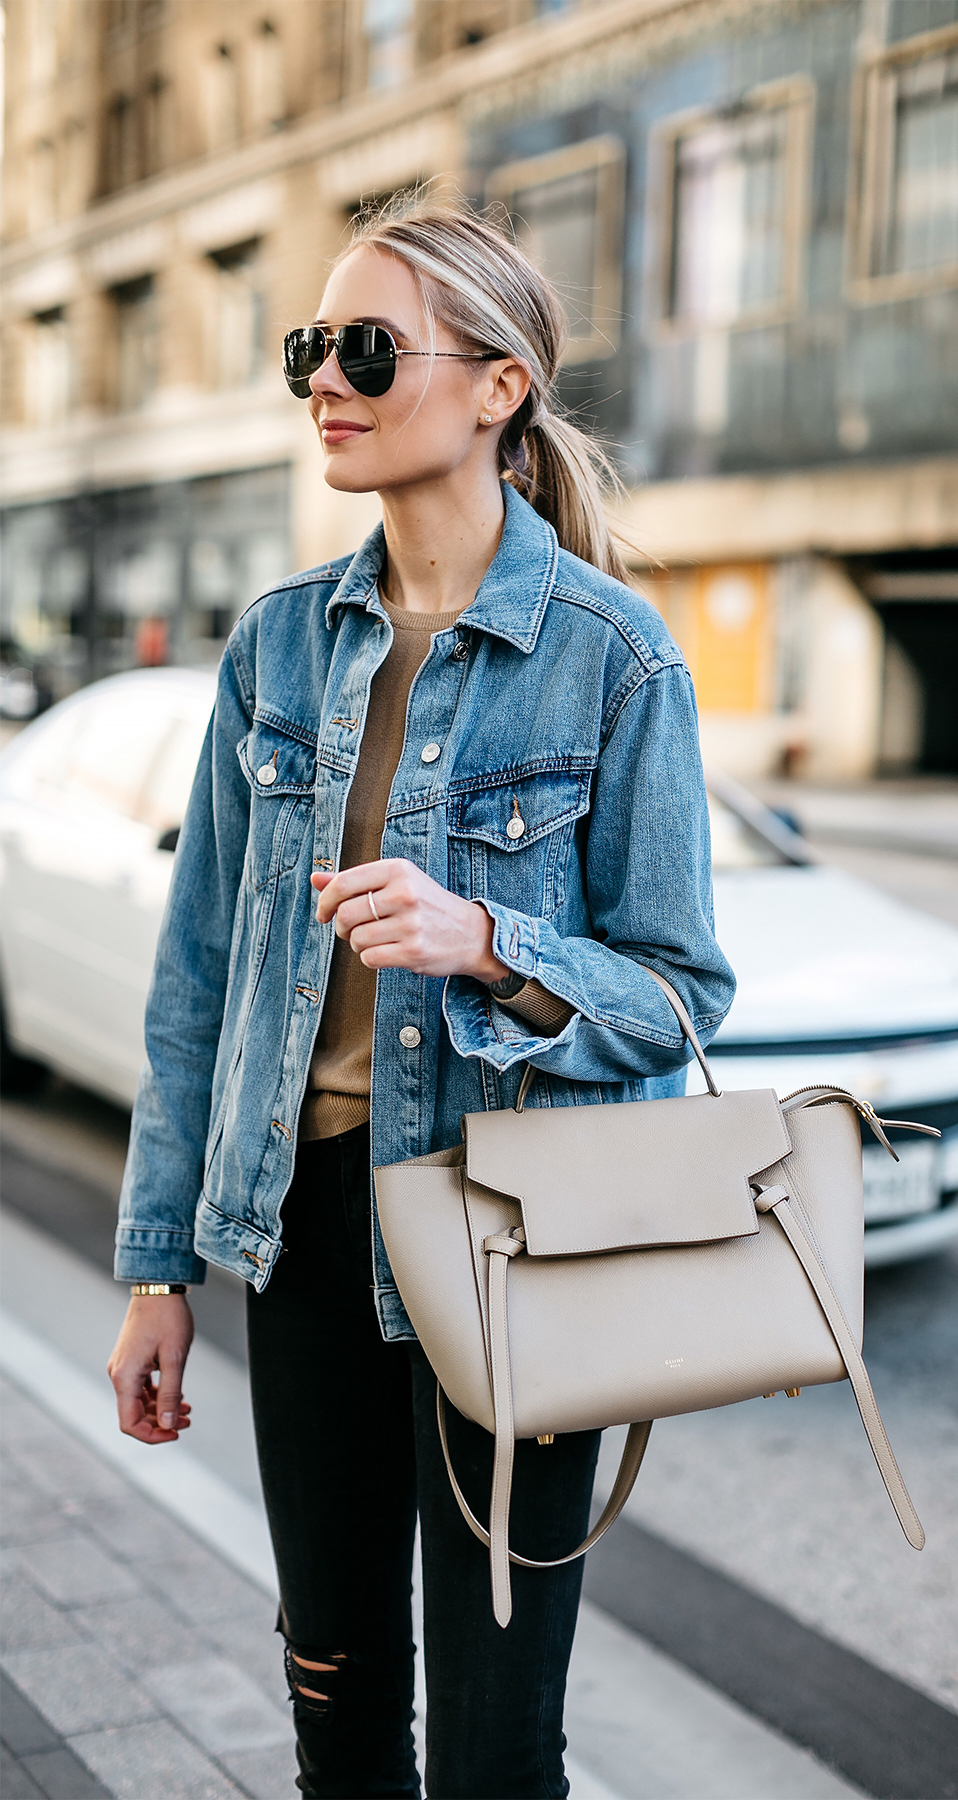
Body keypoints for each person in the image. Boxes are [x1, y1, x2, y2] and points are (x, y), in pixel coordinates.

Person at [106, 196, 735, 1799]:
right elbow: (201, 987)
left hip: (516, 1240)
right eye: (310, 347)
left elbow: (679, 996)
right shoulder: (275, 651)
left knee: (498, 1745)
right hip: (304, 1231)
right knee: (334, 1704)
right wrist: (157, 1266)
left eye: (367, 347)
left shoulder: (615, 658)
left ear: (500, 384)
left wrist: (485, 942)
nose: (327, 378)